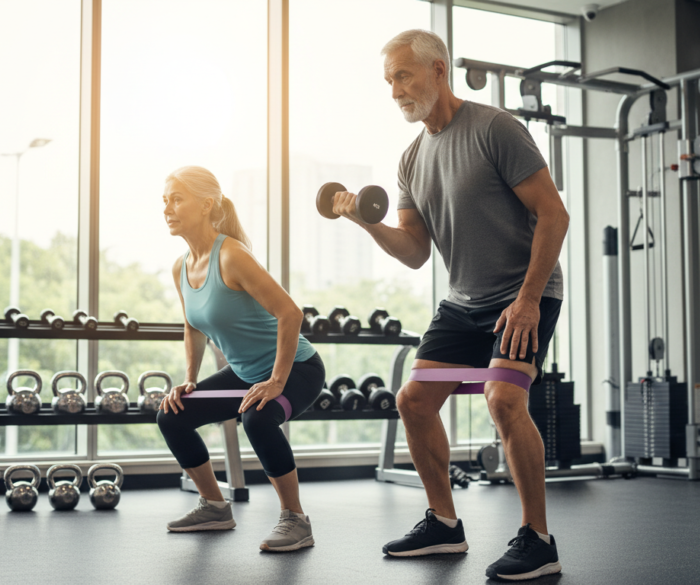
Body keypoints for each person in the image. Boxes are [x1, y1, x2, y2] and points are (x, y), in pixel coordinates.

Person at [332, 30, 569, 581]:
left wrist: (529, 299)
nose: (394, 90)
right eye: (388, 80)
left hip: (522, 295)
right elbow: (415, 252)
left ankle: (538, 539)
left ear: (438, 70)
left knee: (504, 398)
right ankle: (443, 524)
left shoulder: (496, 129)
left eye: (403, 75)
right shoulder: (412, 158)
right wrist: (367, 224)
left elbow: (553, 215)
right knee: (412, 400)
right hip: (463, 302)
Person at [155, 165, 325, 553]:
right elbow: (193, 327)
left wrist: (277, 381)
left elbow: (291, 314)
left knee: (258, 416)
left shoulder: (231, 255)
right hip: (246, 373)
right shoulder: (181, 266)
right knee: (172, 415)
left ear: (206, 204)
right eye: (165, 200)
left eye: (177, 198)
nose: (168, 208)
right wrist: (190, 379)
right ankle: (215, 506)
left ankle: (296, 520)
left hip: (297, 369)